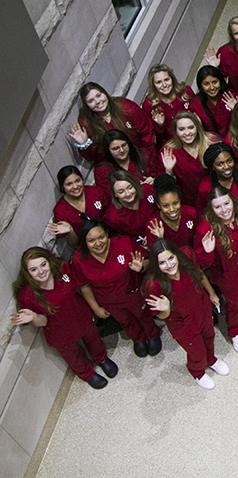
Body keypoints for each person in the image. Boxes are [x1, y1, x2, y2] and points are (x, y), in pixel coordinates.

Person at [12, 247, 117, 389]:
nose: (41, 271)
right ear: (27, 272)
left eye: (43, 264)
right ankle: (87, 374)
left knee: (93, 339)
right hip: (60, 332)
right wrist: (34, 316)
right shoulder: (27, 295)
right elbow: (43, 321)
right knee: (72, 356)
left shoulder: (62, 269)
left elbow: (80, 285)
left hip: (81, 316)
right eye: (34, 269)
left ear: (49, 261)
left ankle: (101, 358)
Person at [144, 239, 229, 390]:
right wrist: (166, 309)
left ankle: (211, 359)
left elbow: (199, 274)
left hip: (202, 310)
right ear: (156, 265)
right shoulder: (153, 285)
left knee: (210, 337)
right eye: (162, 262)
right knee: (196, 352)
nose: (169, 265)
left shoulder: (187, 256)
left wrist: (211, 293)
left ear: (176, 254)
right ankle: (198, 372)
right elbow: (162, 316)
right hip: (183, 325)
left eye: (171, 258)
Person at [71, 219, 162, 357]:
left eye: (101, 237)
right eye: (91, 240)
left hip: (132, 294)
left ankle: (152, 334)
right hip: (109, 302)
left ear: (107, 234)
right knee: (125, 321)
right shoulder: (79, 259)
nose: (98, 243)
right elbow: (84, 286)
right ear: (85, 242)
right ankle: (138, 338)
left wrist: (141, 267)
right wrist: (96, 308)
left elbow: (148, 260)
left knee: (143, 314)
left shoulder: (124, 244)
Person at [195, 187, 238, 355]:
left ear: (232, 200)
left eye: (226, 203)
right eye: (217, 207)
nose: (224, 209)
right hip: (227, 275)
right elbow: (203, 264)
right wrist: (208, 251)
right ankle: (235, 332)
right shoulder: (205, 228)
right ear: (211, 208)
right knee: (234, 305)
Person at [66, 82, 155, 164]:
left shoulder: (125, 107)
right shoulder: (86, 123)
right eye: (91, 101)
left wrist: (147, 159)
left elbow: (147, 132)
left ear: (104, 93)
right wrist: (84, 144)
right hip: (116, 167)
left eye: (98, 95)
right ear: (87, 105)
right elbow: (92, 157)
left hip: (141, 158)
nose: (97, 101)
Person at [160, 112, 220, 207]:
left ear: (197, 127)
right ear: (176, 131)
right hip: (189, 203)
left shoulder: (212, 142)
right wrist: (169, 171)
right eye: (181, 129)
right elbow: (166, 188)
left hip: (216, 198)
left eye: (191, 127)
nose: (187, 133)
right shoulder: (168, 152)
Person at [47, 166, 107, 248]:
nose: (75, 186)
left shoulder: (95, 191)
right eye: (69, 184)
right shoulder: (60, 211)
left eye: (77, 181)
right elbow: (74, 245)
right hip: (88, 248)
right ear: (62, 186)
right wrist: (70, 231)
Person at [196, 143, 238, 214]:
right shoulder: (205, 186)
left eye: (229, 161)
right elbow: (203, 213)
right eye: (220, 164)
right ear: (212, 167)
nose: (226, 166)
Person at [141, 63, 194, 147]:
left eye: (166, 79)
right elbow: (151, 134)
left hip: (193, 137)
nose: (164, 85)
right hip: (172, 144)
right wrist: (159, 125)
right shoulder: (149, 105)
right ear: (153, 85)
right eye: (159, 82)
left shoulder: (185, 92)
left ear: (172, 79)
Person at [146, 174, 199, 253]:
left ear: (180, 200)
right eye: (166, 206)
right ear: (158, 205)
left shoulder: (191, 213)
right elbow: (155, 254)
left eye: (175, 203)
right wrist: (160, 239)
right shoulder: (153, 224)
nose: (172, 209)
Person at [103, 171, 156, 246]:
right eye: (121, 192)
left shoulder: (148, 190)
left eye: (130, 188)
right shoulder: (113, 218)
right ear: (115, 194)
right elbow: (120, 243)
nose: (128, 194)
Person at [189, 65, 233, 137]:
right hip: (212, 141)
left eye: (215, 82)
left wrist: (236, 108)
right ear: (201, 86)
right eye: (206, 84)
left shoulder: (230, 95)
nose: (212, 87)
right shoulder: (196, 105)